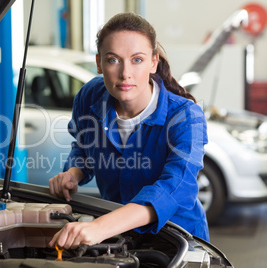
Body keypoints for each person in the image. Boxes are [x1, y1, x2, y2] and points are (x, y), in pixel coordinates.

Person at [48, 12, 209, 249]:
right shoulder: (89, 96)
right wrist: (73, 174)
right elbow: (84, 146)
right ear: (99, 63)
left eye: (137, 59)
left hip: (179, 240)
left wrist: (100, 227)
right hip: (119, 239)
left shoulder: (185, 116)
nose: (125, 73)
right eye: (113, 59)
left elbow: (174, 188)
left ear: (153, 62)